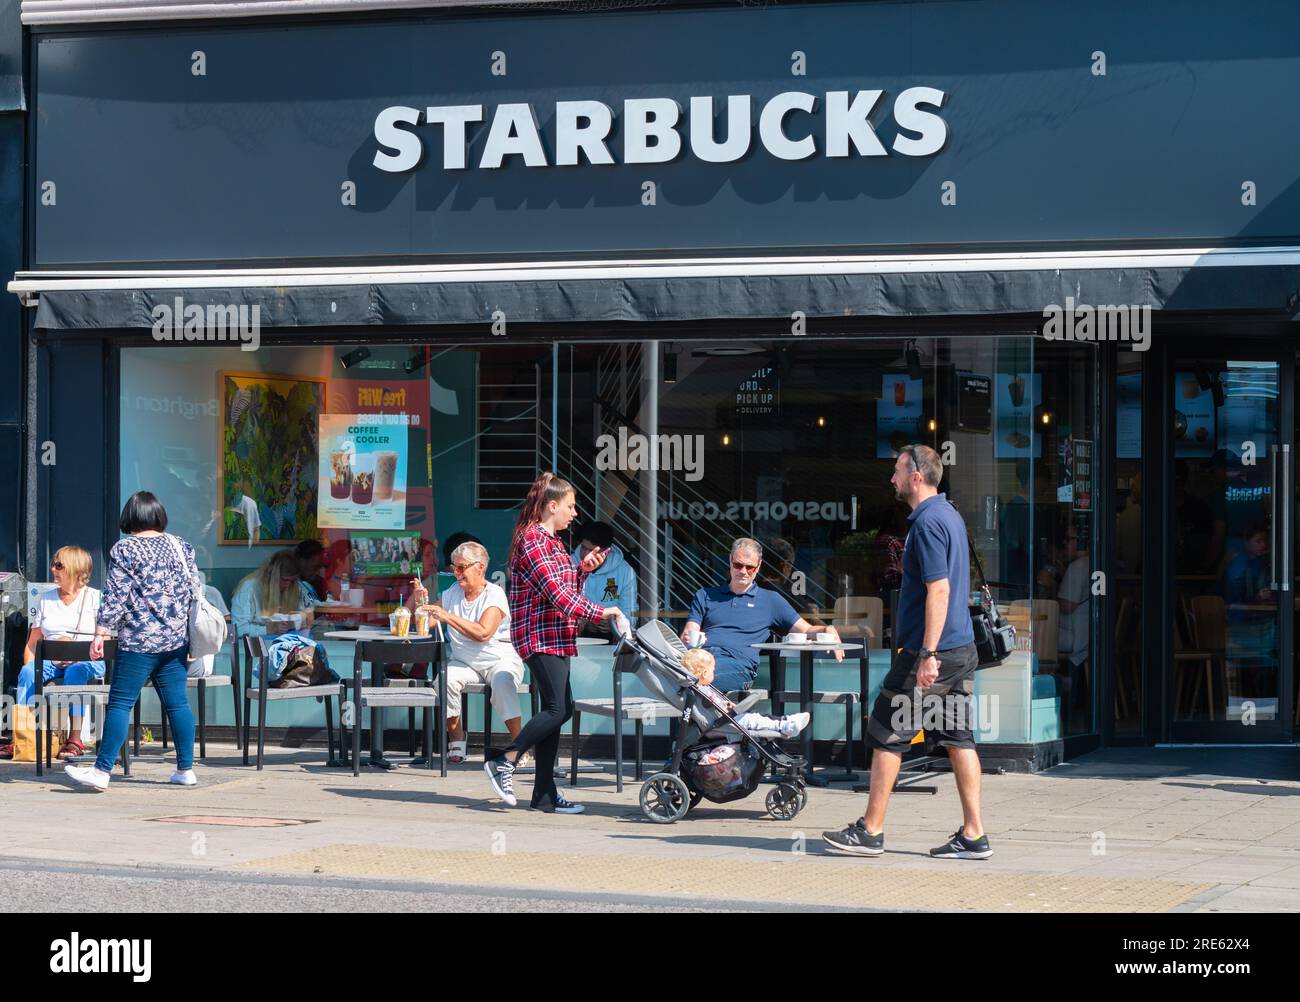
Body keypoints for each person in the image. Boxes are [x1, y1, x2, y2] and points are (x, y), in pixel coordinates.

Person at [823, 444, 992, 860]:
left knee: (886, 732)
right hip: (960, 649)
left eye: (897, 471)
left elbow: (940, 589)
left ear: (917, 476)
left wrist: (927, 654)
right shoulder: (948, 515)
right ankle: (974, 836)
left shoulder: (929, 523)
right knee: (958, 737)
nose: (892, 479)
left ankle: (870, 831)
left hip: (931, 652)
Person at [483, 473, 625, 813]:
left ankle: (544, 794)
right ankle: (505, 759)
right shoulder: (534, 540)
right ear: (551, 506)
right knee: (558, 708)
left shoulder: (551, 542)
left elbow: (562, 586)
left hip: (553, 635)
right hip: (539, 636)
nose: (575, 514)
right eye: (571, 506)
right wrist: (604, 611)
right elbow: (560, 597)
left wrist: (583, 570)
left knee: (560, 707)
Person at [64, 491, 199, 792]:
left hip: (139, 641)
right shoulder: (182, 547)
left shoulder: (126, 550)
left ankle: (101, 771)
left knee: (120, 704)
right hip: (175, 640)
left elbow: (115, 597)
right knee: (177, 704)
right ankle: (185, 769)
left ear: (130, 516)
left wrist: (100, 632)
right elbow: (193, 592)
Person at [680, 538, 841, 696]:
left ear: (758, 567)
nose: (743, 571)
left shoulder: (771, 600)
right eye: (738, 565)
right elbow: (690, 632)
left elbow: (806, 629)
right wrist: (687, 638)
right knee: (673, 671)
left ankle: (708, 719)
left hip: (737, 665)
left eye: (749, 567)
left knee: (692, 680)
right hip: (701, 658)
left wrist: (828, 628)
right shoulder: (705, 595)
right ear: (730, 561)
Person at [414, 541, 526, 763]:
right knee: (443, 680)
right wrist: (422, 603)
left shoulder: (494, 594)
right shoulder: (451, 593)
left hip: (499, 659)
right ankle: (456, 737)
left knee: (503, 682)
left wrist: (446, 617)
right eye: (454, 567)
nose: (456, 573)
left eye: (461, 567)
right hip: (465, 662)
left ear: (480, 567)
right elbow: (426, 624)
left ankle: (519, 744)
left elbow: (483, 633)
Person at [0, 547, 105, 760]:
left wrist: (81, 654)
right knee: (28, 673)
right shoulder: (47, 599)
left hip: (87, 660)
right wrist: (31, 667)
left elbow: (106, 640)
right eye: (53, 564)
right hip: (51, 660)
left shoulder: (95, 598)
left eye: (59, 565)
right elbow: (32, 644)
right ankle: (23, 737)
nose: (53, 569)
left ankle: (75, 738)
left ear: (76, 569)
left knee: (76, 671)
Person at [679, 649, 809, 739]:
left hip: (722, 719)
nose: (714, 672)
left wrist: (726, 704)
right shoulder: (698, 690)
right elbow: (709, 704)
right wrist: (725, 707)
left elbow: (710, 705)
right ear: (704, 673)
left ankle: (785, 721)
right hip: (722, 723)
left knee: (757, 718)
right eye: (713, 670)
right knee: (755, 720)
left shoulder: (697, 688)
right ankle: (786, 725)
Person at [231, 550, 316, 637]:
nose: (288, 584)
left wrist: (301, 620)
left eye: (292, 581)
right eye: (285, 580)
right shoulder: (249, 589)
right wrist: (269, 629)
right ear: (273, 576)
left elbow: (304, 616)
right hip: (255, 644)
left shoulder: (295, 587)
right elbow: (238, 629)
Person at [571, 521, 637, 628]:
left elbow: (630, 612)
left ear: (606, 551)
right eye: (583, 548)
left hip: (613, 635)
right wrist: (583, 621)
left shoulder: (625, 571)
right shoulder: (569, 564)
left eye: (592, 550)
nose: (586, 555)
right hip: (578, 634)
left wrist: (614, 623)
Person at [757, 536, 823, 626]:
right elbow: (818, 627)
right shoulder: (788, 597)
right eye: (791, 566)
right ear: (786, 565)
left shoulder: (746, 590)